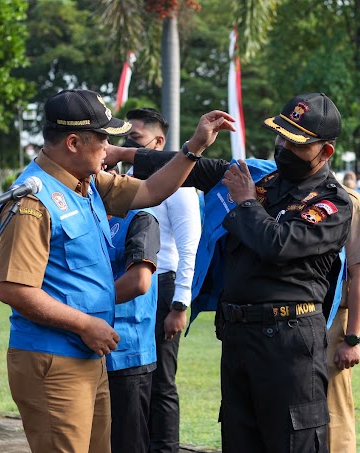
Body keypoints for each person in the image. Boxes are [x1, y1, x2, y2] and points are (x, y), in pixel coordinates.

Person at [0, 89, 233, 453]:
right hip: (54, 359)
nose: (110, 147)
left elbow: (152, 190)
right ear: (73, 142)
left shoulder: (86, 183)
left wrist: (193, 148)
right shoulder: (34, 200)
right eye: (104, 138)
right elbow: (14, 289)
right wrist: (85, 324)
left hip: (90, 354)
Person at [111, 92, 352, 452]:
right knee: (240, 438)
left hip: (289, 343)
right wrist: (124, 154)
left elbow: (277, 243)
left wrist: (247, 203)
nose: (283, 147)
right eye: (281, 136)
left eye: (296, 142)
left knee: (292, 439)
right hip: (239, 336)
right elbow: (204, 169)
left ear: (325, 151)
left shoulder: (331, 202)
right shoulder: (264, 181)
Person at [124, 107, 202, 453]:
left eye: (135, 139)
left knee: (161, 380)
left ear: (159, 141)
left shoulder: (179, 181)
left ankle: (166, 448)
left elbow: (190, 246)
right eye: (125, 139)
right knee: (134, 374)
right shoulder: (124, 177)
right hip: (131, 286)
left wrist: (180, 304)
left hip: (164, 286)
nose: (128, 146)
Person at [106, 206, 161, 453]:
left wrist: (85, 306)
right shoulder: (88, 215)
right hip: (88, 350)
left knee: (127, 443)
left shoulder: (140, 219)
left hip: (127, 355)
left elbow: (139, 281)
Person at [327, 180, 360, 451]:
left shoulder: (351, 202)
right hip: (293, 316)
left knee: (334, 409)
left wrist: (352, 338)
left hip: (333, 320)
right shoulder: (288, 193)